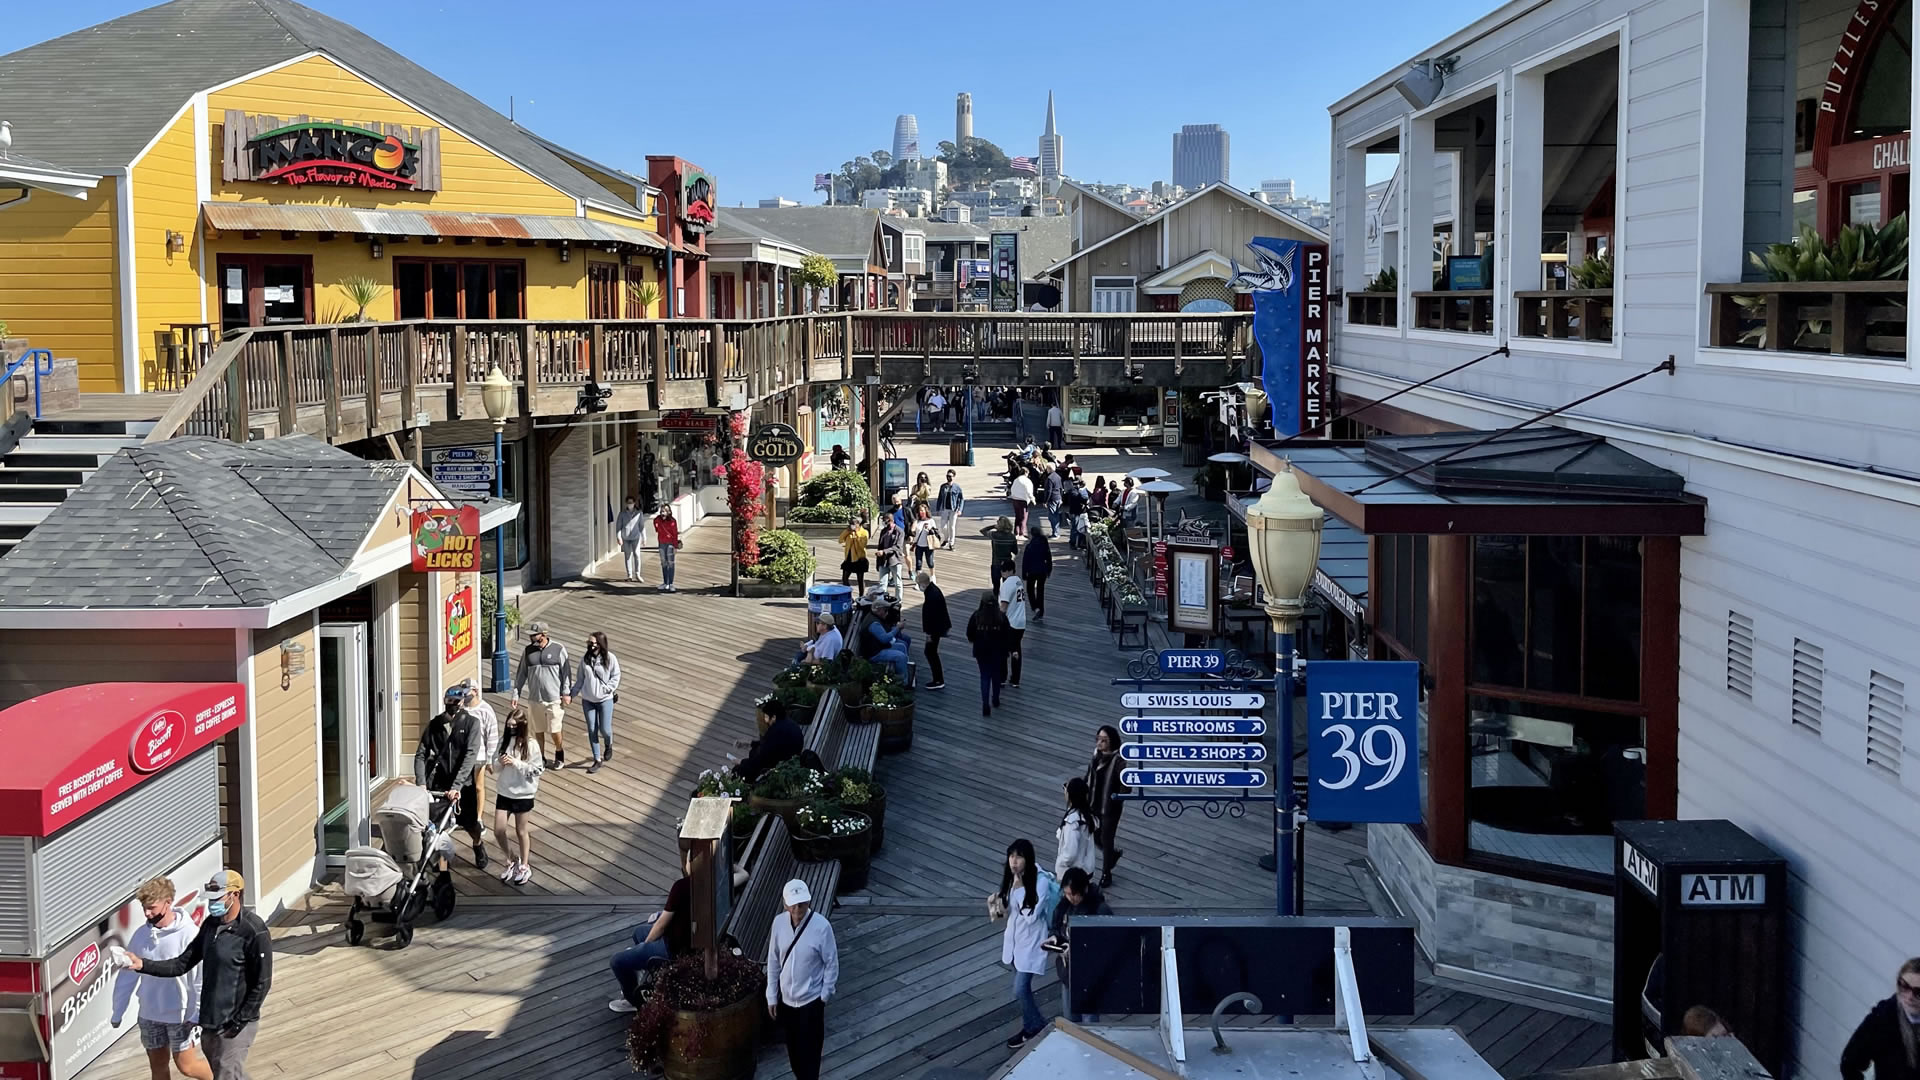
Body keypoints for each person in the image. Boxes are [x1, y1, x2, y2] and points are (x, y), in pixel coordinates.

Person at [124, 870, 271, 1080]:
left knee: (226, 1074)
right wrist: (142, 965)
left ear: (235, 895)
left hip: (234, 1023)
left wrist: (239, 1022)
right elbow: (181, 964)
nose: (212, 905)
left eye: (216, 899)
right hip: (210, 1021)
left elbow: (262, 983)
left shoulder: (253, 930)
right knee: (226, 1072)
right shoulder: (210, 925)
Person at [111, 876, 213, 1080]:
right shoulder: (141, 935)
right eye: (144, 908)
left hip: (182, 1016)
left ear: (169, 902)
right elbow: (127, 977)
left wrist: (198, 1015)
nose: (148, 914)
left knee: (188, 1067)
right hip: (149, 1014)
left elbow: (201, 978)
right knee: (158, 1067)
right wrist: (118, 1012)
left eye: (152, 908)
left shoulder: (190, 934)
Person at [767, 879, 839, 1080]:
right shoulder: (778, 924)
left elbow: (832, 963)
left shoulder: (822, 927)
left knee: (811, 1056)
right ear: (785, 904)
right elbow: (773, 960)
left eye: (802, 903)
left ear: (809, 902)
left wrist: (824, 995)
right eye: (794, 904)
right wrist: (772, 995)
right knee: (794, 1054)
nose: (798, 908)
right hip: (787, 1003)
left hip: (811, 1002)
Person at [990, 839, 1058, 1049]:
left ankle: (1035, 1026)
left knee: (1020, 989)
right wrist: (997, 904)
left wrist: (1019, 890)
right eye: (1011, 856)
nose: (1014, 861)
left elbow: (1031, 916)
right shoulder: (1013, 878)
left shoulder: (1041, 883)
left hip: (1032, 942)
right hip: (1015, 941)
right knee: (1022, 988)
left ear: (1028, 859)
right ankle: (1032, 1025)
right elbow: (1010, 909)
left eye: (1019, 857)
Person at [608, 851, 693, 1012]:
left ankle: (633, 1000)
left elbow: (661, 925)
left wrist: (645, 945)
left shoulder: (682, 886)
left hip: (674, 949)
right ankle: (643, 969)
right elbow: (742, 875)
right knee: (638, 931)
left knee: (617, 961)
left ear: (692, 863)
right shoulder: (715, 882)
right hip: (685, 940)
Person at [415, 686, 487, 869]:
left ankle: (478, 844)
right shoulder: (435, 725)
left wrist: (457, 786)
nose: (452, 705)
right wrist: (421, 782)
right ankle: (442, 868)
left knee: (470, 824)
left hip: (464, 784)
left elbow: (470, 756)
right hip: (440, 782)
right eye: (449, 701)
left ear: (462, 702)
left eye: (455, 702)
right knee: (437, 827)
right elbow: (421, 754)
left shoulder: (472, 724)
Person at [1049, 867, 1112, 1024]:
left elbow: (1108, 942)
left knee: (1089, 1022)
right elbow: (1057, 929)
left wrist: (1080, 948)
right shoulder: (1064, 906)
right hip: (1068, 972)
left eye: (1073, 894)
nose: (1070, 898)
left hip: (1090, 975)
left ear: (1083, 889)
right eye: (1067, 893)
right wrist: (1054, 940)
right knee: (1070, 1020)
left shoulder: (1099, 909)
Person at [1841, 958, 1920, 1080]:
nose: (1909, 997)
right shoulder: (1883, 1019)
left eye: (1918, 993)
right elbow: (1850, 1063)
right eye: (1904, 986)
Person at [492, 708, 545, 886]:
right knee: (498, 830)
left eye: (514, 726)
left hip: (523, 793)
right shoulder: (503, 741)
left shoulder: (531, 745)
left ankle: (524, 865)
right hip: (505, 791)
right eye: (508, 726)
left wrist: (516, 763)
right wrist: (499, 763)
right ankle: (511, 859)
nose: (511, 729)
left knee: (521, 831)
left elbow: (537, 769)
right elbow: (494, 767)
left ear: (522, 726)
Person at [511, 622, 570, 768]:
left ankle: (559, 751)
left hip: (554, 698)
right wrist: (516, 694)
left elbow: (566, 672)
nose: (531, 637)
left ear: (543, 634)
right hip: (535, 699)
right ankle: (540, 757)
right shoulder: (528, 651)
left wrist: (566, 692)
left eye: (534, 634)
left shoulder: (558, 649)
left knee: (555, 729)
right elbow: (521, 673)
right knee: (538, 730)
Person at [1086, 725, 1130, 888]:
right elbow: (1089, 773)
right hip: (1093, 803)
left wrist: (1119, 796)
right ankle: (1111, 855)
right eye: (1098, 739)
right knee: (1095, 835)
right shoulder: (1095, 755)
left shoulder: (1118, 761)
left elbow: (1126, 784)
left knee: (1106, 837)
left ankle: (1106, 874)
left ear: (1112, 742)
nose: (1099, 743)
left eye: (1104, 740)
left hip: (1110, 806)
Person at [572, 631, 620, 773]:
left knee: (605, 729)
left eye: (591, 643)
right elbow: (580, 679)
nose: (589, 645)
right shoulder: (585, 660)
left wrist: (607, 689)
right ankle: (597, 759)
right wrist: (572, 693)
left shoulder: (610, 658)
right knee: (592, 729)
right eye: (588, 643)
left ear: (600, 644)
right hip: (588, 700)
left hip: (605, 699)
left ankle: (608, 743)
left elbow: (615, 676)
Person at [737, 698, 804, 783]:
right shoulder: (789, 723)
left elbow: (761, 759)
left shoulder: (775, 731)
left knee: (738, 771)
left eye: (766, 717)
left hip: (780, 767)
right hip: (791, 759)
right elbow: (770, 745)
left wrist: (742, 762)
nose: (765, 721)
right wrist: (751, 743)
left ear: (773, 717)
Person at [967, 592, 1010, 717]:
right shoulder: (1001, 617)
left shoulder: (976, 616)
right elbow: (1007, 635)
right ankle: (995, 699)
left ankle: (985, 704)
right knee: (996, 676)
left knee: (984, 677)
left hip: (981, 652)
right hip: (998, 652)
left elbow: (970, 634)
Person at [1055, 777, 1098, 880]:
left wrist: (1060, 863)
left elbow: (1070, 854)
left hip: (1072, 874)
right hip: (1087, 869)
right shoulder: (1087, 815)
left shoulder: (1072, 822)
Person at [859, 599, 912, 682]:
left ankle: (906, 671)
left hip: (877, 647)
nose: (887, 613)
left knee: (902, 646)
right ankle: (903, 682)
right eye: (885, 610)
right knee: (900, 657)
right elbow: (884, 639)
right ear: (878, 610)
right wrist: (897, 628)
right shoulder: (874, 624)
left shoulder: (873, 616)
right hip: (873, 653)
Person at [998, 557, 1031, 688]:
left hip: (1010, 623)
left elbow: (1003, 606)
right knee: (1016, 650)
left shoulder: (1007, 585)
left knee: (1002, 650)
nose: (1003, 573)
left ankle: (1002, 678)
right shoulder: (1018, 581)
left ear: (1009, 570)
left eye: (1004, 570)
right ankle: (1015, 679)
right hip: (1021, 622)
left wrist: (997, 622)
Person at [918, 570, 950, 690]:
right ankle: (937, 679)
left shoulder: (931, 595)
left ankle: (938, 680)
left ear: (923, 583)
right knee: (931, 652)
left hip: (935, 629)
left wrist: (929, 634)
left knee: (930, 652)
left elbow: (932, 616)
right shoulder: (933, 590)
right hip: (938, 627)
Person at [1021, 527, 1052, 621]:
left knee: (1030, 590)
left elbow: (1025, 561)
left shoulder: (1029, 546)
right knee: (1040, 590)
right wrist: (1049, 570)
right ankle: (1041, 611)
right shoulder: (1044, 543)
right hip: (1042, 570)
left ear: (1032, 534)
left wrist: (1024, 573)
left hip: (1031, 571)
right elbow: (1048, 557)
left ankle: (1035, 607)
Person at [616, 496, 647, 583]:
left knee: (637, 555)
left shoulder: (639, 513)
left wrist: (644, 537)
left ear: (634, 503)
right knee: (627, 556)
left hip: (636, 537)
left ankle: (637, 574)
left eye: (631, 502)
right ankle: (629, 574)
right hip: (625, 538)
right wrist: (618, 537)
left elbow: (641, 526)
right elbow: (618, 526)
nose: (630, 504)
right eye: (628, 502)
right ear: (626, 503)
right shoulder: (622, 514)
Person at [873, 513, 905, 596]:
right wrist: (878, 562)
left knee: (897, 583)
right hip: (883, 561)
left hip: (895, 560)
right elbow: (880, 546)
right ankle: (883, 601)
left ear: (891, 520)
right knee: (882, 583)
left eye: (885, 521)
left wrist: (884, 551)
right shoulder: (883, 531)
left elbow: (897, 547)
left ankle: (898, 601)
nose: (884, 523)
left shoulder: (900, 531)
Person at [838, 513, 870, 593]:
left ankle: (861, 596)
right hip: (849, 557)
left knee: (860, 579)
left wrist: (857, 533)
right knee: (844, 578)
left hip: (859, 558)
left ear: (858, 524)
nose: (851, 525)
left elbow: (863, 545)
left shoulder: (864, 532)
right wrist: (847, 531)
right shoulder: (849, 532)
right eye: (850, 523)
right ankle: (848, 594)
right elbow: (840, 540)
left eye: (853, 524)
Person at [654, 506, 683, 593]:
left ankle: (671, 583)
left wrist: (675, 546)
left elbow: (675, 534)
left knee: (670, 563)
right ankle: (665, 582)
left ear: (669, 512)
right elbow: (656, 527)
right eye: (661, 511)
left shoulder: (672, 521)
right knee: (663, 563)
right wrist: (660, 518)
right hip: (662, 543)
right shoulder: (658, 520)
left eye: (665, 511)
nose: (663, 513)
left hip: (670, 544)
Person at [935, 470, 965, 551]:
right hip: (945, 509)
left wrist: (960, 509)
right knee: (943, 526)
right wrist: (938, 508)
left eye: (950, 476)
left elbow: (961, 499)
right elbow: (940, 498)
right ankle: (946, 539)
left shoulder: (957, 487)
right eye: (947, 476)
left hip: (953, 509)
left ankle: (951, 543)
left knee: (952, 527)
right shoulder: (943, 487)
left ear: (954, 477)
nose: (949, 477)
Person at [911, 506, 942, 574]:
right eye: (920, 511)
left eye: (923, 510)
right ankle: (919, 580)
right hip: (919, 545)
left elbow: (935, 533)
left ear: (926, 511)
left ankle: (932, 577)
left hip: (929, 545)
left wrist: (929, 529)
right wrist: (913, 527)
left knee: (930, 562)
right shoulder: (917, 521)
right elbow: (913, 532)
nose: (921, 512)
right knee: (918, 564)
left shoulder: (931, 521)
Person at [1062, 477, 1091, 550]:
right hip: (1075, 512)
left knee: (1074, 527)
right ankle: (1073, 543)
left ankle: (1073, 541)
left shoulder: (1072, 491)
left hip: (1073, 511)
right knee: (1075, 528)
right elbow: (1083, 499)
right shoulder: (1075, 493)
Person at [1008, 469, 1035, 536]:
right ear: (1026, 473)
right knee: (1023, 517)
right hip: (1023, 500)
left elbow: (1012, 489)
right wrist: (1032, 499)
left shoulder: (1016, 480)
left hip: (1015, 500)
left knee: (1017, 516)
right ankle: (1022, 532)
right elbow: (1029, 491)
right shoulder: (1027, 481)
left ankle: (1016, 531)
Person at [1044, 466, 1064, 537]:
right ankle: (1056, 531)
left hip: (1052, 499)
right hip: (1058, 497)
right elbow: (1061, 488)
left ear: (1049, 469)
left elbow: (1049, 491)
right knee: (1056, 515)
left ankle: (1055, 533)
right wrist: (1061, 497)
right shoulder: (1058, 476)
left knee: (1052, 517)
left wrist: (1046, 501)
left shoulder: (1050, 478)